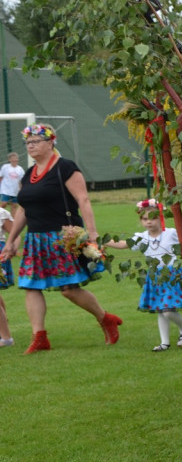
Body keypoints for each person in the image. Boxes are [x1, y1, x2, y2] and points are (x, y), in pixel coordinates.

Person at [0, 124, 122, 354]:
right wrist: (11, 240)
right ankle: (40, 337)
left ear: (50, 142)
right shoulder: (29, 173)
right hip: (35, 240)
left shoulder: (65, 167)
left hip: (63, 237)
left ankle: (105, 318)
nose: (31, 146)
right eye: (28, 143)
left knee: (68, 289)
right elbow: (23, 210)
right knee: (30, 286)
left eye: (36, 141)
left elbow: (83, 200)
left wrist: (93, 233)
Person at [105, 199, 182, 352]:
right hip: (154, 277)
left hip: (170, 275)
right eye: (145, 219)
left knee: (168, 310)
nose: (149, 222)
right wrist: (102, 241)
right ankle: (165, 342)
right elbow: (123, 244)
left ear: (161, 217)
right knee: (160, 310)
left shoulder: (170, 233)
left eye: (153, 218)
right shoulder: (142, 237)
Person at [0, 205, 16, 348]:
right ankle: (3, 328)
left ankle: (6, 338)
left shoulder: (1, 213)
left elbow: (14, 234)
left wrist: (11, 250)